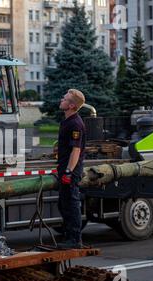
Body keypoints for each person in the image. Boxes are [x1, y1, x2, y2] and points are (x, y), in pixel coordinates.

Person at [56, 89, 86, 249]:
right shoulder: (67, 121)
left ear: (72, 105)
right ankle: (69, 236)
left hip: (71, 172)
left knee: (71, 203)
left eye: (65, 99)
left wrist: (68, 172)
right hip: (64, 169)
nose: (62, 100)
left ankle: (75, 240)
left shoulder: (75, 124)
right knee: (63, 204)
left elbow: (76, 150)